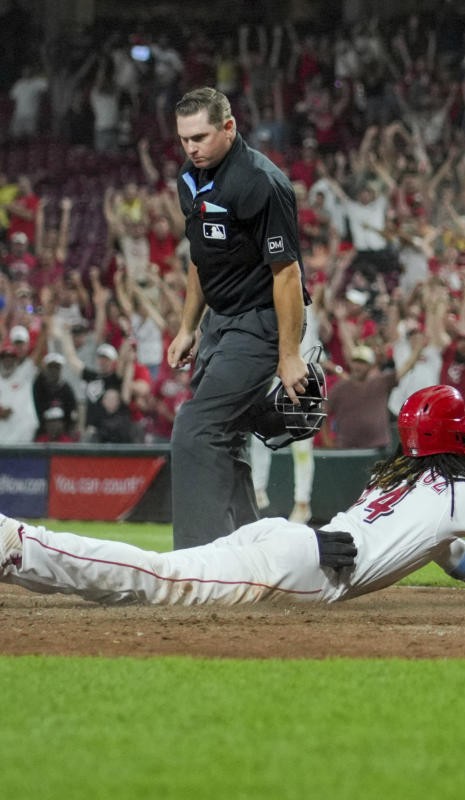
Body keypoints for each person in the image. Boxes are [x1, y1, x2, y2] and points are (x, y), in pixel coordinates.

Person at [0, 385, 465, 611]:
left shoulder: (394, 478)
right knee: (151, 583)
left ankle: (5, 556)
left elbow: (453, 551)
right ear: (463, 438)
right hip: (303, 567)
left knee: (156, 575)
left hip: (288, 544)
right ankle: (16, 540)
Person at [166, 87, 308, 549]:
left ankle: (199, 559)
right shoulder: (191, 178)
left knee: (197, 429)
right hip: (218, 324)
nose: (191, 147)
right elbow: (200, 257)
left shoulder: (260, 182)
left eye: (201, 137)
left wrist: (289, 355)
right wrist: (189, 326)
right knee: (224, 440)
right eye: (184, 138)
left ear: (229, 127)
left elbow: (287, 274)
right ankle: (252, 549)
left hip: (259, 321)